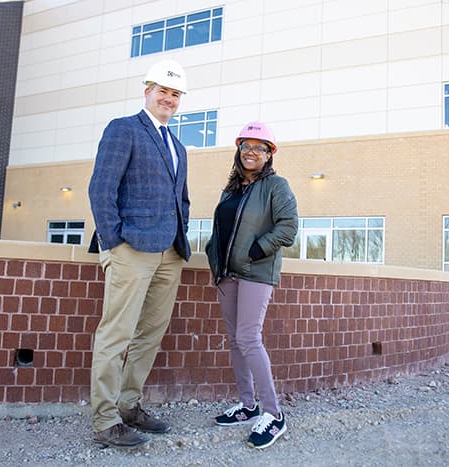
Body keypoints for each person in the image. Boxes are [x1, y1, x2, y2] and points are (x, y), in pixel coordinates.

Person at [87, 59, 191, 449]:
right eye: (162, 90)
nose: (168, 98)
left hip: (169, 253)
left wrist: (180, 243)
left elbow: (181, 199)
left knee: (150, 334)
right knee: (117, 333)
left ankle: (129, 405)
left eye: (175, 93)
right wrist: (113, 243)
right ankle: (105, 418)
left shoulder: (178, 145)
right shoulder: (124, 129)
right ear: (147, 90)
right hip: (131, 247)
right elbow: (102, 188)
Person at [205, 121, 298, 449]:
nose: (252, 152)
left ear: (269, 154)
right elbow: (221, 230)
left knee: (248, 337)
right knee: (235, 340)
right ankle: (248, 406)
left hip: (257, 272)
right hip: (228, 274)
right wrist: (214, 259)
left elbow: (289, 228)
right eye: (247, 145)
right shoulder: (231, 189)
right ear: (239, 149)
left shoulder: (276, 186)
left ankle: (274, 414)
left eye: (260, 147)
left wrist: (256, 251)